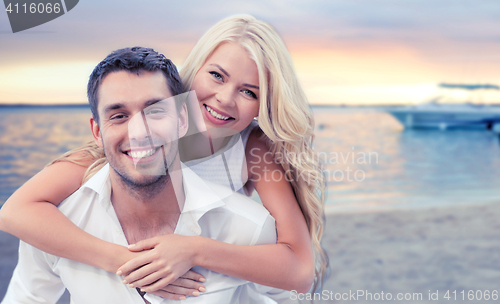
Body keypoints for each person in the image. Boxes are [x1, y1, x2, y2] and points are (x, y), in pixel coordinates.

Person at [0, 14, 328, 299]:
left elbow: (299, 268)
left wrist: (193, 249)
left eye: (249, 92)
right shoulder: (139, 139)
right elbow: (15, 212)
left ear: (264, 105)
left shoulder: (253, 145)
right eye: (216, 75)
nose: (226, 99)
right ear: (194, 70)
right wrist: (124, 261)